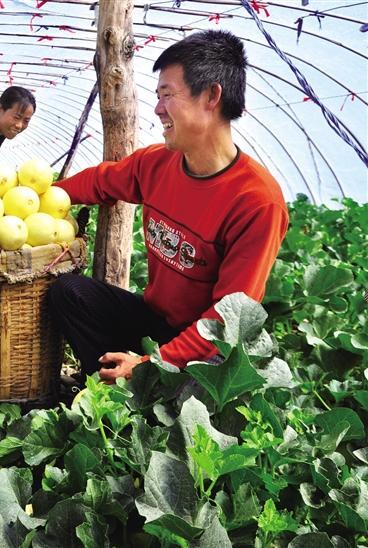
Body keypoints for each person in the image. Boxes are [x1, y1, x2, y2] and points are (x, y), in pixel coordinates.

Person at [49, 30, 288, 383]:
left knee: (196, 385)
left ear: (212, 96)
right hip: (156, 321)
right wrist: (41, 198)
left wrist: (151, 364)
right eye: (158, 97)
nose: (158, 108)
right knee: (69, 292)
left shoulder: (257, 201)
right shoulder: (157, 164)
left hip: (207, 349)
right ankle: (108, 390)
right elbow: (100, 181)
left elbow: (228, 319)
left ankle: (140, 388)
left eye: (167, 95)